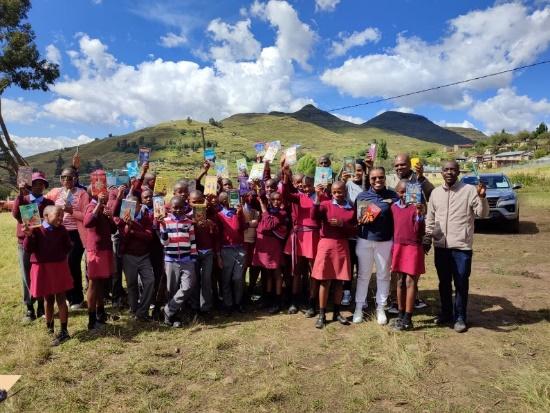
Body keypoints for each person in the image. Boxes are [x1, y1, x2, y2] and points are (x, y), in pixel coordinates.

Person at [424, 160, 488, 333]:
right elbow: (430, 219)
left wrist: (482, 197)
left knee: (461, 283)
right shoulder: (435, 193)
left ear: (458, 172)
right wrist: (428, 237)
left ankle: (460, 317)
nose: (449, 172)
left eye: (453, 169)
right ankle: (446, 313)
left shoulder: (469, 191)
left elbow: (482, 214)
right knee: (444, 282)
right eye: (446, 169)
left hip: (462, 247)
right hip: (441, 246)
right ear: (441, 172)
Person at [389, 153, 435, 311]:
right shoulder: (391, 180)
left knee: (412, 271)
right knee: (397, 272)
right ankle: (396, 301)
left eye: (402, 164)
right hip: (399, 232)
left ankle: (412, 299)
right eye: (397, 165)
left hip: (416, 230)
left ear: (409, 164)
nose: (399, 167)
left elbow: (432, 195)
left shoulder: (418, 179)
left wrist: (422, 177)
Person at [353, 167, 399, 325]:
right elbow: (360, 219)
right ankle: (359, 307)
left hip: (385, 241)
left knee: (383, 275)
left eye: (381, 177)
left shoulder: (393, 195)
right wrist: (365, 217)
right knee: (363, 275)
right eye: (374, 178)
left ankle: (381, 308)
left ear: (385, 178)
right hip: (365, 240)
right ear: (369, 179)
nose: (378, 181)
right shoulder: (363, 195)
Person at [23, 205, 73, 346]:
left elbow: (68, 246)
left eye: (62, 216)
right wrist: (29, 236)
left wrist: (62, 254)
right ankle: (49, 329)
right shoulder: (36, 229)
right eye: (58, 215)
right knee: (48, 299)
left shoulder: (62, 229)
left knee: (61, 298)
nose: (61, 218)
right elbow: (28, 248)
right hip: (42, 267)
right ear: (45, 216)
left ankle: (64, 331)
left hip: (58, 266)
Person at [310, 181, 357, 329]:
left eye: (341, 191)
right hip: (326, 245)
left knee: (339, 281)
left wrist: (342, 224)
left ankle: (336, 313)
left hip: (342, 245)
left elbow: (355, 229)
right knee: (324, 281)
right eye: (335, 192)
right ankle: (322, 314)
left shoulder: (351, 208)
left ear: (345, 191)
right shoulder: (325, 204)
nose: (338, 194)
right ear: (331, 192)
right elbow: (314, 216)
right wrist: (317, 199)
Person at [12, 171, 54, 322]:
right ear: (30, 185)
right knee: (26, 276)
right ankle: (29, 308)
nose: (38, 186)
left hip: (41, 243)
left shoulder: (48, 203)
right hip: (24, 243)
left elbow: (52, 221)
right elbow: (16, 214)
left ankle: (41, 306)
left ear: (44, 186)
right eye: (35, 183)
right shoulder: (23, 199)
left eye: (41, 184)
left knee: (40, 274)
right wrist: (19, 195)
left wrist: (42, 224)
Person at [46, 167, 90, 309]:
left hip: (76, 234)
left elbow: (86, 216)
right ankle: (64, 296)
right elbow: (43, 206)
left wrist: (71, 211)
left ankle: (76, 298)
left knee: (72, 264)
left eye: (69, 177)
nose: (66, 180)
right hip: (59, 233)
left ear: (75, 179)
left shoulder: (82, 194)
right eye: (63, 177)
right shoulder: (55, 193)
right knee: (61, 265)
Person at [390, 180, 426, 331]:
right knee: (399, 282)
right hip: (398, 246)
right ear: (396, 192)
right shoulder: (393, 207)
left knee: (411, 282)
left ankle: (408, 318)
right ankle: (400, 314)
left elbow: (420, 232)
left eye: (407, 191)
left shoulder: (416, 208)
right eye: (401, 191)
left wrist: (420, 215)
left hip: (412, 247)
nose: (404, 194)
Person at [159, 196, 198, 327]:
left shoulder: (189, 222)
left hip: (187, 259)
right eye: (175, 207)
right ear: (170, 208)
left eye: (181, 207)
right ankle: (171, 318)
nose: (178, 210)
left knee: (187, 286)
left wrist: (193, 258)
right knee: (171, 289)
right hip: (171, 260)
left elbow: (192, 241)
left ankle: (167, 310)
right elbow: (164, 242)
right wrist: (164, 228)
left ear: (185, 208)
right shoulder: (165, 221)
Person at [117, 194, 155, 321]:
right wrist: (128, 226)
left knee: (150, 281)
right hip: (129, 256)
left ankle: (142, 311)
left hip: (144, 256)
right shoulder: (122, 220)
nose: (131, 210)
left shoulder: (146, 218)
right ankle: (134, 310)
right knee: (132, 284)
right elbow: (124, 238)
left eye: (134, 206)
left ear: (140, 205)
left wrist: (133, 229)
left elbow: (148, 237)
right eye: (128, 207)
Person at [83, 189, 117, 330]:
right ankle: (92, 320)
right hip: (95, 250)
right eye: (102, 192)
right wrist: (98, 205)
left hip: (105, 249)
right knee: (93, 284)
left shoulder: (104, 208)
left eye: (106, 191)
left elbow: (113, 230)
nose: (105, 193)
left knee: (101, 283)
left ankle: (100, 313)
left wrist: (110, 217)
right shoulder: (91, 206)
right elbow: (88, 222)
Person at [252, 191, 289, 314]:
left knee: (277, 273)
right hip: (263, 244)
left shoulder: (282, 213)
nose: (276, 202)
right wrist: (258, 189)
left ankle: (277, 301)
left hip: (274, 245)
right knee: (267, 273)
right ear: (270, 200)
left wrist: (264, 209)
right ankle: (268, 298)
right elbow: (259, 195)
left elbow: (268, 225)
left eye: (279, 199)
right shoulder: (269, 210)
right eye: (273, 200)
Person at [189, 190, 219, 315]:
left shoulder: (210, 215)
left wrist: (211, 226)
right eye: (194, 202)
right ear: (189, 202)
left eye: (200, 202)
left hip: (207, 252)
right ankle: (194, 307)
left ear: (204, 201)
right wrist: (192, 224)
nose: (197, 205)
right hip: (193, 252)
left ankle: (206, 307)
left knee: (206, 280)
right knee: (194, 280)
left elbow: (216, 234)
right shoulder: (187, 216)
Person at [216, 192, 247, 313]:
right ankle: (228, 304)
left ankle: (238, 302)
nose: (235, 201)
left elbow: (243, 227)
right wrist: (218, 255)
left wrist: (240, 214)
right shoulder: (219, 216)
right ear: (224, 201)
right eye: (231, 199)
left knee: (238, 278)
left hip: (239, 249)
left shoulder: (237, 213)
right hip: (226, 249)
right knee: (226, 278)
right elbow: (217, 237)